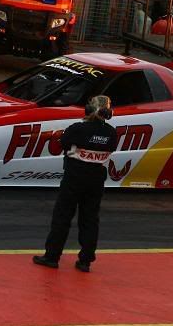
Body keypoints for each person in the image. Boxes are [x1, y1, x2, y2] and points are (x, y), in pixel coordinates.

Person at [33, 95, 119, 272]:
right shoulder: (111, 133)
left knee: (62, 216)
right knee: (90, 219)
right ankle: (85, 261)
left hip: (74, 178)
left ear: (89, 109)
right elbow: (111, 148)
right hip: (96, 180)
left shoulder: (78, 128)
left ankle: (52, 256)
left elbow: (63, 144)